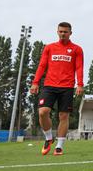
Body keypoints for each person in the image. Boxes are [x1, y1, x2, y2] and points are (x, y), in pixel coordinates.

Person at [30, 22, 84, 155]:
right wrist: (35, 82)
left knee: (63, 116)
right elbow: (42, 65)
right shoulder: (49, 48)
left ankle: (59, 146)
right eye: (60, 31)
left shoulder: (77, 49)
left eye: (65, 32)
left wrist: (80, 84)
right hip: (49, 85)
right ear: (57, 32)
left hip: (67, 87)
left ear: (70, 33)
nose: (63, 34)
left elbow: (79, 67)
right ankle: (49, 138)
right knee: (42, 112)